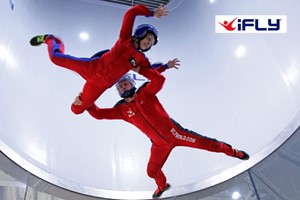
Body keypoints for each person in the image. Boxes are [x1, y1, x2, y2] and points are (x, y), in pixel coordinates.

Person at [73, 60, 250, 199]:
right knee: (151, 172)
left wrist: (142, 69)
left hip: (177, 134)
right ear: (118, 92)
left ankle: (233, 152)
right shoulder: (122, 110)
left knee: (211, 145)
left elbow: (159, 79)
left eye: (126, 84)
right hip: (159, 145)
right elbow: (98, 114)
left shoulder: (145, 93)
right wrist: (85, 101)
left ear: (132, 85)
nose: (123, 86)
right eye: (120, 86)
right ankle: (162, 186)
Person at [29, 4, 169, 115]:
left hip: (98, 85)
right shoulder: (125, 38)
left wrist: (162, 67)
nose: (149, 44)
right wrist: (151, 13)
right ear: (141, 33)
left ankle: (83, 101)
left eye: (151, 44)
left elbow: (154, 74)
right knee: (55, 58)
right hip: (91, 66)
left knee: (76, 110)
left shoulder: (140, 59)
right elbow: (130, 13)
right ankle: (51, 39)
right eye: (149, 39)